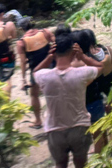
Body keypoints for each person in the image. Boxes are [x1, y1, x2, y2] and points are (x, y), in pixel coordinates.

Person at [34, 31, 103, 168]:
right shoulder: (82, 74)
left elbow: (35, 72)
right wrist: (82, 56)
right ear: (73, 52)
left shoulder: (44, 76)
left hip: (54, 129)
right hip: (79, 127)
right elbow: (100, 67)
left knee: (60, 163)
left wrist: (49, 58)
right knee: (81, 164)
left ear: (54, 53)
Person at [76, 29, 112, 154]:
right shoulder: (106, 49)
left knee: (100, 122)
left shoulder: (87, 59)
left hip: (99, 93)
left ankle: (105, 147)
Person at [16, 18, 54, 128]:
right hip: (51, 65)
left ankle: (38, 121)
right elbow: (55, 43)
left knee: (34, 95)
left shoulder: (21, 42)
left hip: (36, 71)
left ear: (21, 29)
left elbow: (23, 62)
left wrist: (23, 79)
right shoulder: (45, 32)